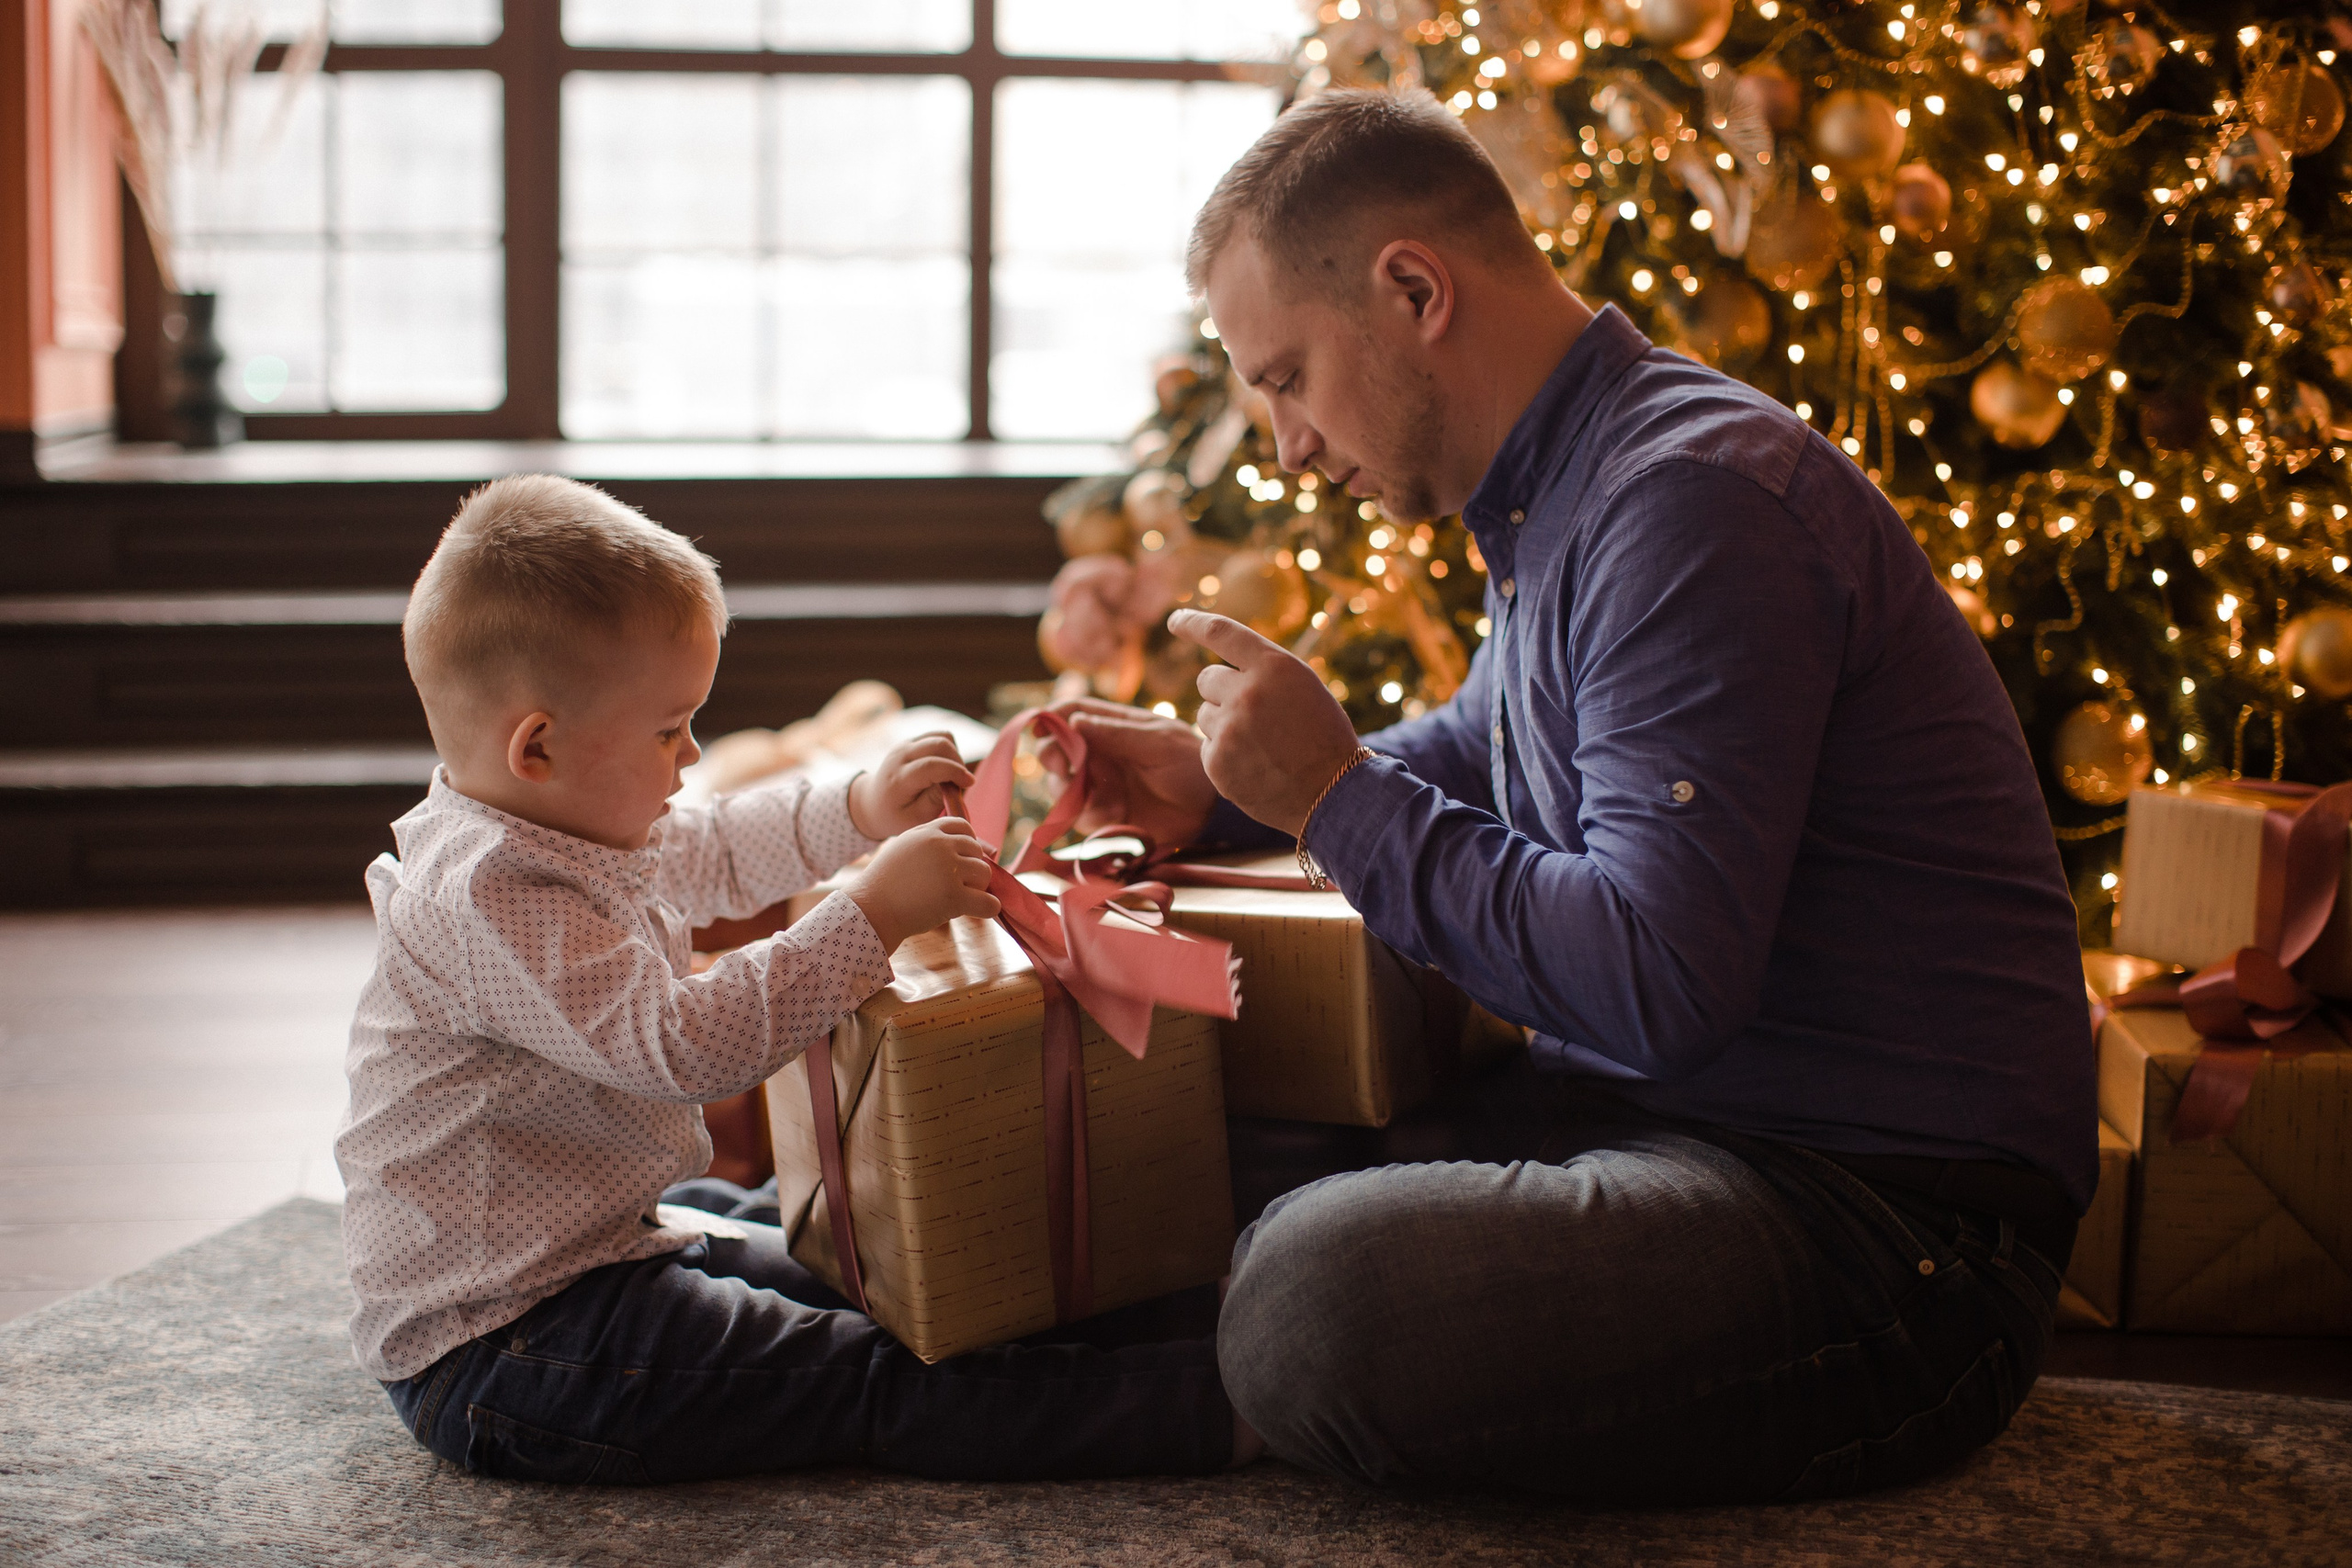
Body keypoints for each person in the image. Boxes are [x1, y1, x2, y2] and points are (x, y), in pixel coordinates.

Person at [1052, 87, 2097, 1502]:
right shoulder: (1563, 486)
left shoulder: (1689, 501)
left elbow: (1658, 978)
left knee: (1313, 1297)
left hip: (1888, 1229)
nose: (1287, 446)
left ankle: (1132, 1384)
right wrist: (1228, 788)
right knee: (1218, 1132)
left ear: (1413, 287)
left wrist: (1336, 800)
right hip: (1682, 1130)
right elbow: (1483, 744)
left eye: (1288, 376)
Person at [338, 474, 1242, 1484]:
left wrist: (858, 806)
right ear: (538, 745)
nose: (691, 755)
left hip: (599, 1253)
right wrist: (875, 913)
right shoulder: (485, 891)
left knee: (872, 1282)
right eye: (669, 729)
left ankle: (1188, 1316)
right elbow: (682, 1046)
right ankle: (1217, 1408)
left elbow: (715, 851)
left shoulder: (564, 827)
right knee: (867, 1375)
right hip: (503, 1347)